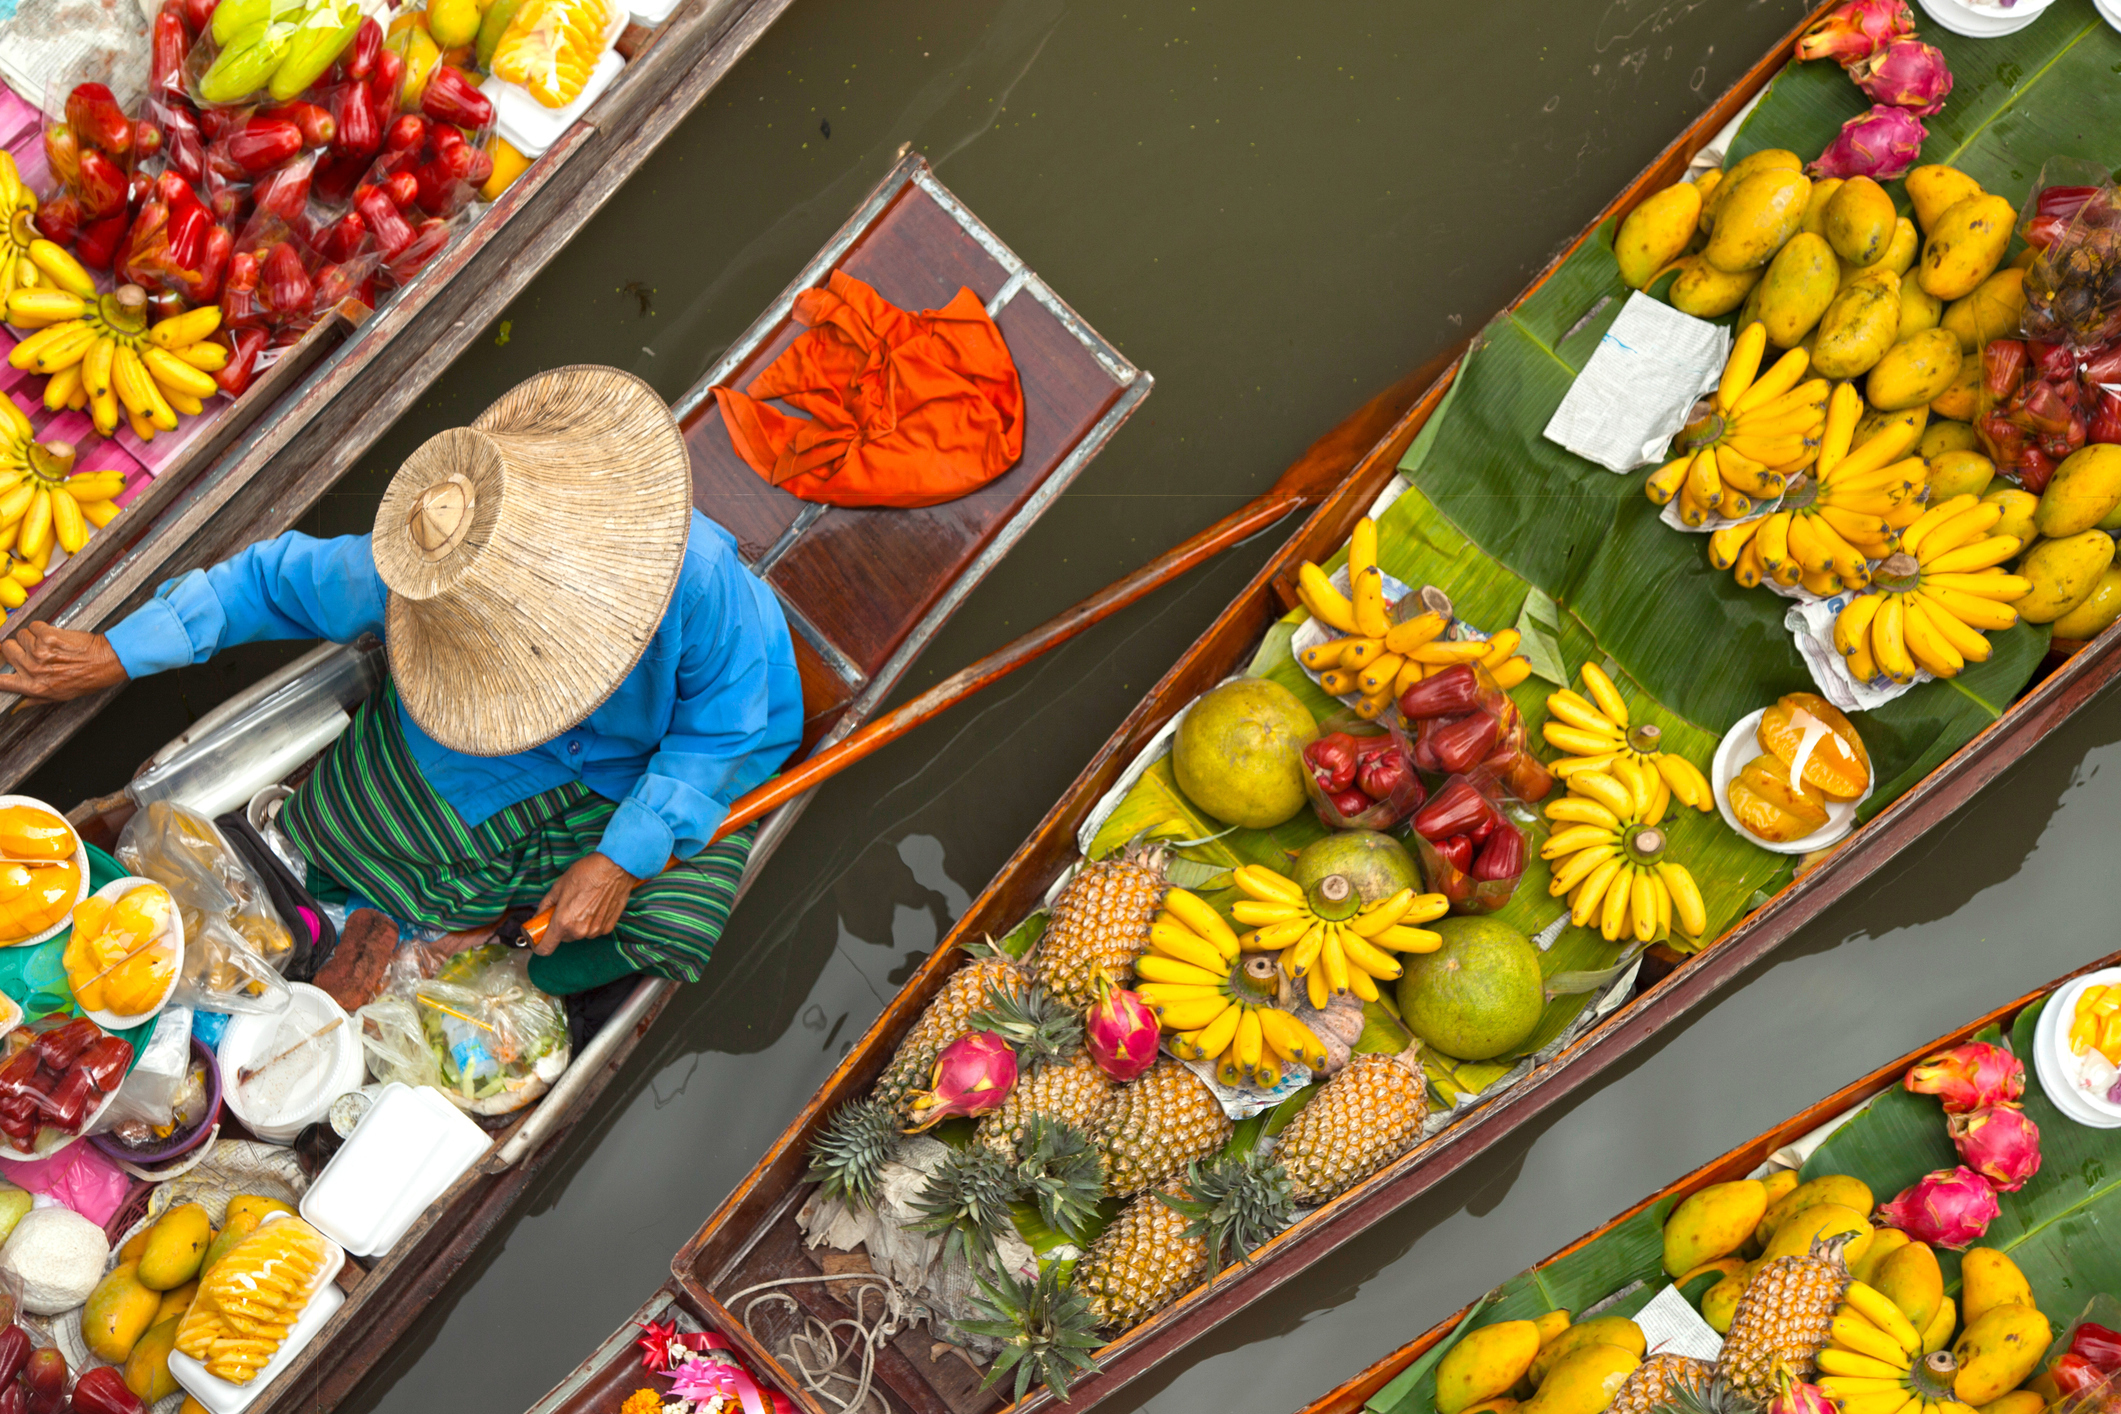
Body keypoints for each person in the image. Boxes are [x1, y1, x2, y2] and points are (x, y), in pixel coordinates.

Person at [2, 367, 802, 995]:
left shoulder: (692, 586)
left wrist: (624, 857)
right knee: (353, 825)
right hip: (486, 722)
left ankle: (496, 930)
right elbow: (264, 583)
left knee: (659, 917)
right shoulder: (421, 575)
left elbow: (721, 733)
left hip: (660, 754)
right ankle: (398, 914)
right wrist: (118, 652)